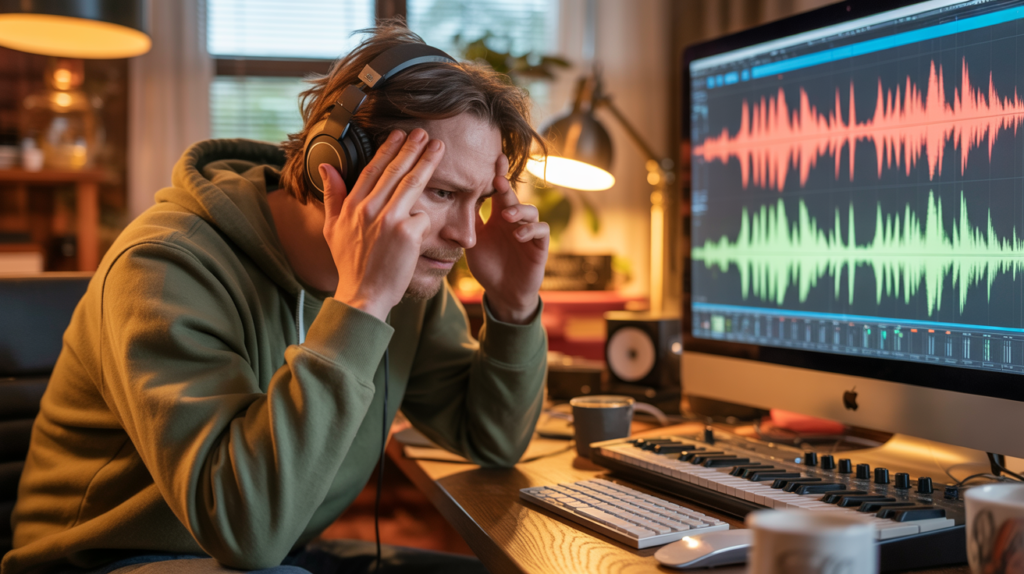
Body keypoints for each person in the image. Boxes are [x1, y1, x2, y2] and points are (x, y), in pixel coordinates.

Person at [3, 23, 549, 574]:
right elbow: (244, 530)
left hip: (279, 552)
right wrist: (361, 304)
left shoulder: (407, 272)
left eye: (476, 200)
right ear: (338, 161)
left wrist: (512, 306)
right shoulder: (163, 266)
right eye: (442, 192)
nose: (467, 234)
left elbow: (490, 439)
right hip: (113, 559)